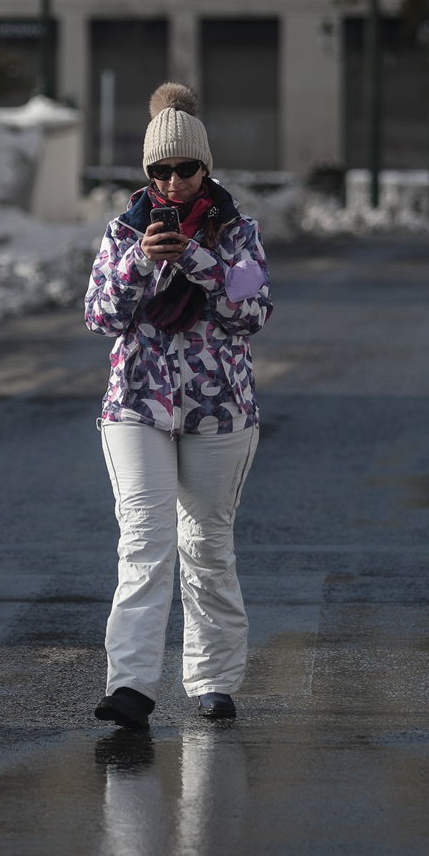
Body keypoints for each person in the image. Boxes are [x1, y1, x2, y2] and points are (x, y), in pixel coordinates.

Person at [83, 83, 272, 730]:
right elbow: (101, 313)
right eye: (158, 170)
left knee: (207, 545)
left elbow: (252, 310)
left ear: (205, 168)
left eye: (183, 168)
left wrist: (194, 257)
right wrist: (141, 263)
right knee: (144, 541)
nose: (171, 182)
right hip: (136, 407)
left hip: (219, 413)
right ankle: (131, 686)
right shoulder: (123, 231)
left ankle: (214, 681)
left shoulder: (239, 232)